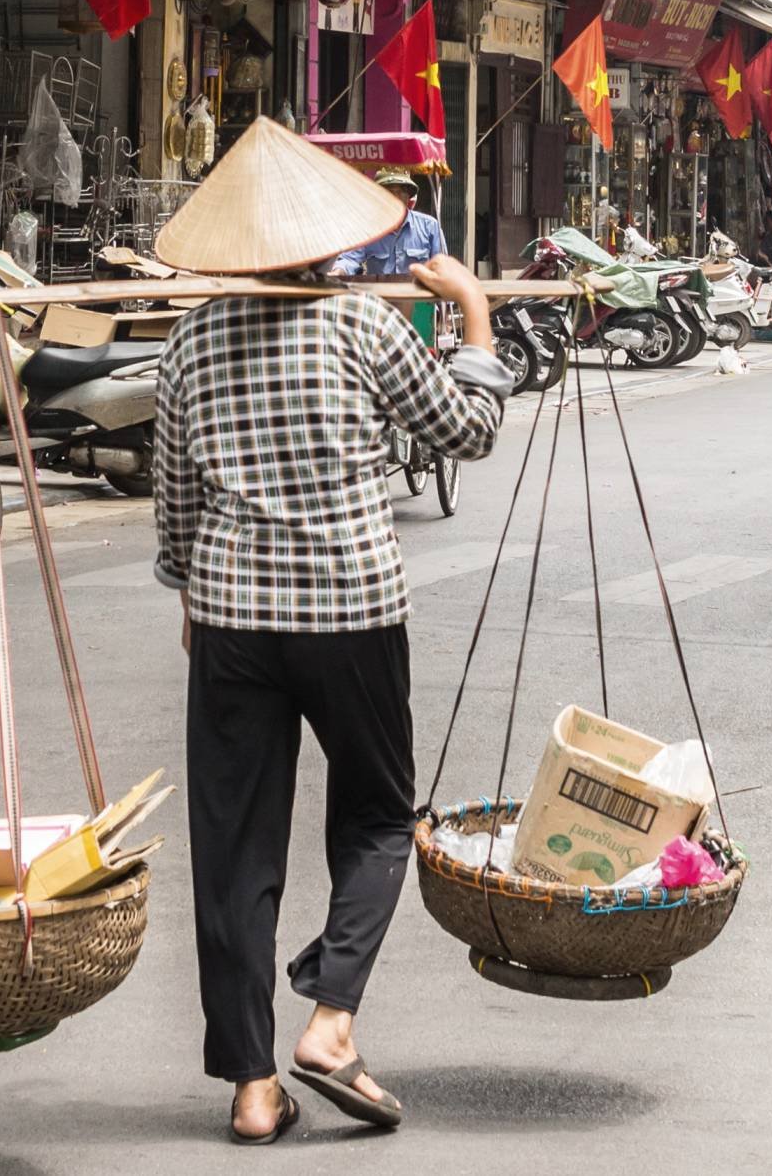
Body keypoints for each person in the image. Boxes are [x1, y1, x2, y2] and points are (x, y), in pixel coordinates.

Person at [153, 121, 514, 1144]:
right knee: (373, 820)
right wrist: (475, 308)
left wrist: (190, 592)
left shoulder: (189, 342)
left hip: (228, 615)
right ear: (326, 242)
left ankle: (251, 1089)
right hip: (350, 609)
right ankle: (332, 1019)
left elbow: (176, 503)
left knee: (231, 846)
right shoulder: (363, 329)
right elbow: (470, 430)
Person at [331, 167, 446, 275]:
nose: (395, 197)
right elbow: (349, 259)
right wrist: (337, 272)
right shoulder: (368, 228)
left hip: (418, 294)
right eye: (389, 191)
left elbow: (442, 268)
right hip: (379, 294)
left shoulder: (429, 226)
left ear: (408, 196)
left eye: (401, 191)